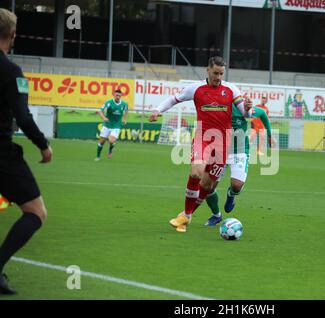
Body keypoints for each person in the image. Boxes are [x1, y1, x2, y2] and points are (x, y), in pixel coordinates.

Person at [149, 56, 253, 232]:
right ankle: (187, 215)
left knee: (207, 185)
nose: (218, 77)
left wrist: (249, 107)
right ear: (208, 70)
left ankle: (185, 217)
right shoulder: (196, 88)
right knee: (196, 173)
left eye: (221, 74)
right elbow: (174, 99)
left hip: (223, 142)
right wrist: (157, 110)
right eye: (215, 73)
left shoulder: (231, 89)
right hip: (203, 138)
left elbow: (246, 115)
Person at [0, 8, 52, 294]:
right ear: (13, 35)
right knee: (35, 212)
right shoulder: (11, 71)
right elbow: (22, 115)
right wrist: (43, 145)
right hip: (2, 155)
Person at [204, 104, 276, 226]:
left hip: (240, 151)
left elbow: (262, 113)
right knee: (208, 187)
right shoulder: (217, 107)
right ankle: (216, 215)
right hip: (219, 152)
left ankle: (231, 194)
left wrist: (269, 134)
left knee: (236, 186)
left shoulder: (242, 107)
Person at [95, 89, 128, 161]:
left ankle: (110, 150)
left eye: (119, 95)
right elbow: (100, 111)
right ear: (114, 95)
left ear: (121, 96)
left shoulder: (124, 104)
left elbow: (126, 111)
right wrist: (104, 118)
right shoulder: (108, 103)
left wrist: (124, 119)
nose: (118, 97)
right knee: (101, 142)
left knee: (112, 140)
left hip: (116, 126)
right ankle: (98, 156)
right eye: (116, 95)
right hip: (107, 125)